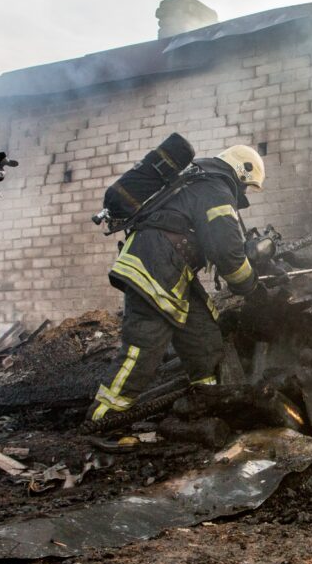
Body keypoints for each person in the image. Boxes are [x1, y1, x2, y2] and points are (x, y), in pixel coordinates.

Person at [87, 145, 266, 425]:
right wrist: (253, 288)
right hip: (153, 268)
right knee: (144, 347)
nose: (243, 195)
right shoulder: (215, 188)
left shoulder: (201, 182)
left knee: (204, 338)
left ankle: (207, 403)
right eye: (246, 188)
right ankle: (103, 418)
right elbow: (227, 253)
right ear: (240, 173)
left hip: (173, 271)